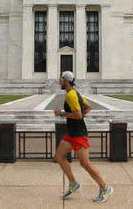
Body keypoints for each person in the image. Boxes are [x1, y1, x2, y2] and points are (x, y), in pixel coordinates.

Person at [53, 71, 113, 203]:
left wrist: (61, 114)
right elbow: (88, 107)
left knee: (85, 163)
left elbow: (79, 115)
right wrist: (78, 118)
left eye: (61, 80)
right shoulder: (75, 93)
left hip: (79, 134)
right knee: (58, 156)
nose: (59, 82)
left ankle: (105, 188)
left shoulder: (71, 96)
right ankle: (73, 184)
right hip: (72, 133)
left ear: (67, 81)